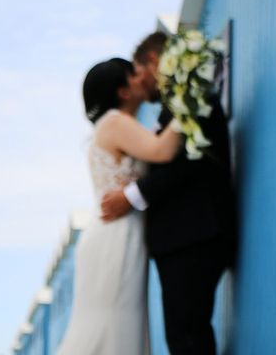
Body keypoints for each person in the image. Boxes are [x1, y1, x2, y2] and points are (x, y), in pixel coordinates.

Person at [101, 32, 236, 355]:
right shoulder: (175, 109)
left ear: (153, 62)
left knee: (188, 337)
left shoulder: (194, 101)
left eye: (137, 71)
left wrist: (131, 196)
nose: (136, 82)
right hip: (184, 239)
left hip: (195, 237)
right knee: (183, 336)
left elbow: (190, 163)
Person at [57, 57, 182, 355]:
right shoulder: (115, 123)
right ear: (123, 91)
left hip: (120, 233)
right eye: (134, 75)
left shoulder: (117, 125)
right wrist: (191, 101)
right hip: (116, 237)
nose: (142, 77)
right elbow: (162, 151)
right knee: (111, 325)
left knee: (115, 325)